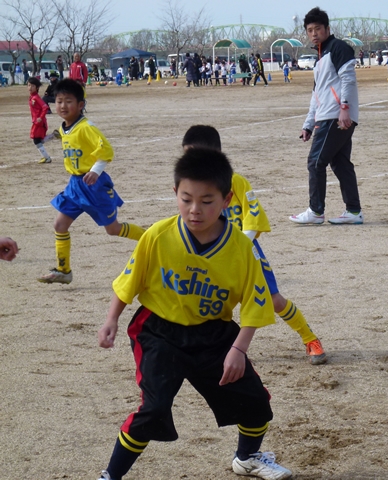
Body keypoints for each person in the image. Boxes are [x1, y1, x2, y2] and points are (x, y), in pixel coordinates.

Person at [96, 146, 292, 480]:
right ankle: (110, 476)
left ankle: (247, 457)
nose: (195, 210)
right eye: (186, 199)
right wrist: (112, 318)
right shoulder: (158, 235)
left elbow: (256, 305)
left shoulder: (242, 249)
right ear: (175, 193)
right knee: (153, 409)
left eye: (207, 200)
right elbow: (129, 281)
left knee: (256, 402)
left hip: (214, 334)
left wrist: (238, 349)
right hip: (159, 331)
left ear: (227, 200)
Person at [182, 125, 327, 364]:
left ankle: (310, 338)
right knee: (205, 301)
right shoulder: (190, 191)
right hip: (210, 257)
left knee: (274, 301)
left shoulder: (235, 182)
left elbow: (253, 216)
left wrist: (238, 244)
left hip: (245, 252)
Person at [37, 79, 145, 284]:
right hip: (75, 186)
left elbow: (106, 151)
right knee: (60, 224)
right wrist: (49, 137)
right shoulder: (65, 126)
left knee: (113, 230)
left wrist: (96, 171)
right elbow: (63, 133)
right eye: (59, 101)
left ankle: (149, 237)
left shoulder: (87, 127)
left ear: (81, 105)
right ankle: (63, 270)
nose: (62, 106)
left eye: (68, 101)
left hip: (93, 186)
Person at [289, 7, 363, 225]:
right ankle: (353, 211)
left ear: (327, 29)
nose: (314, 33)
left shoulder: (339, 48)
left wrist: (344, 108)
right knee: (340, 164)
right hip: (326, 115)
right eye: (310, 30)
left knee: (315, 161)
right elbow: (316, 95)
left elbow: (348, 79)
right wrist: (308, 125)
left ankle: (316, 211)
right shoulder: (320, 57)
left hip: (335, 115)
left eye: (318, 29)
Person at [27, 78, 53, 164]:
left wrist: (40, 117)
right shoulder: (32, 97)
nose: (30, 87)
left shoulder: (36, 98)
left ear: (37, 87)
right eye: (29, 85)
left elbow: (45, 107)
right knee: (37, 140)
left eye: (32, 86)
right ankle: (53, 136)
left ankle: (47, 158)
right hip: (36, 121)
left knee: (36, 140)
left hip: (39, 122)